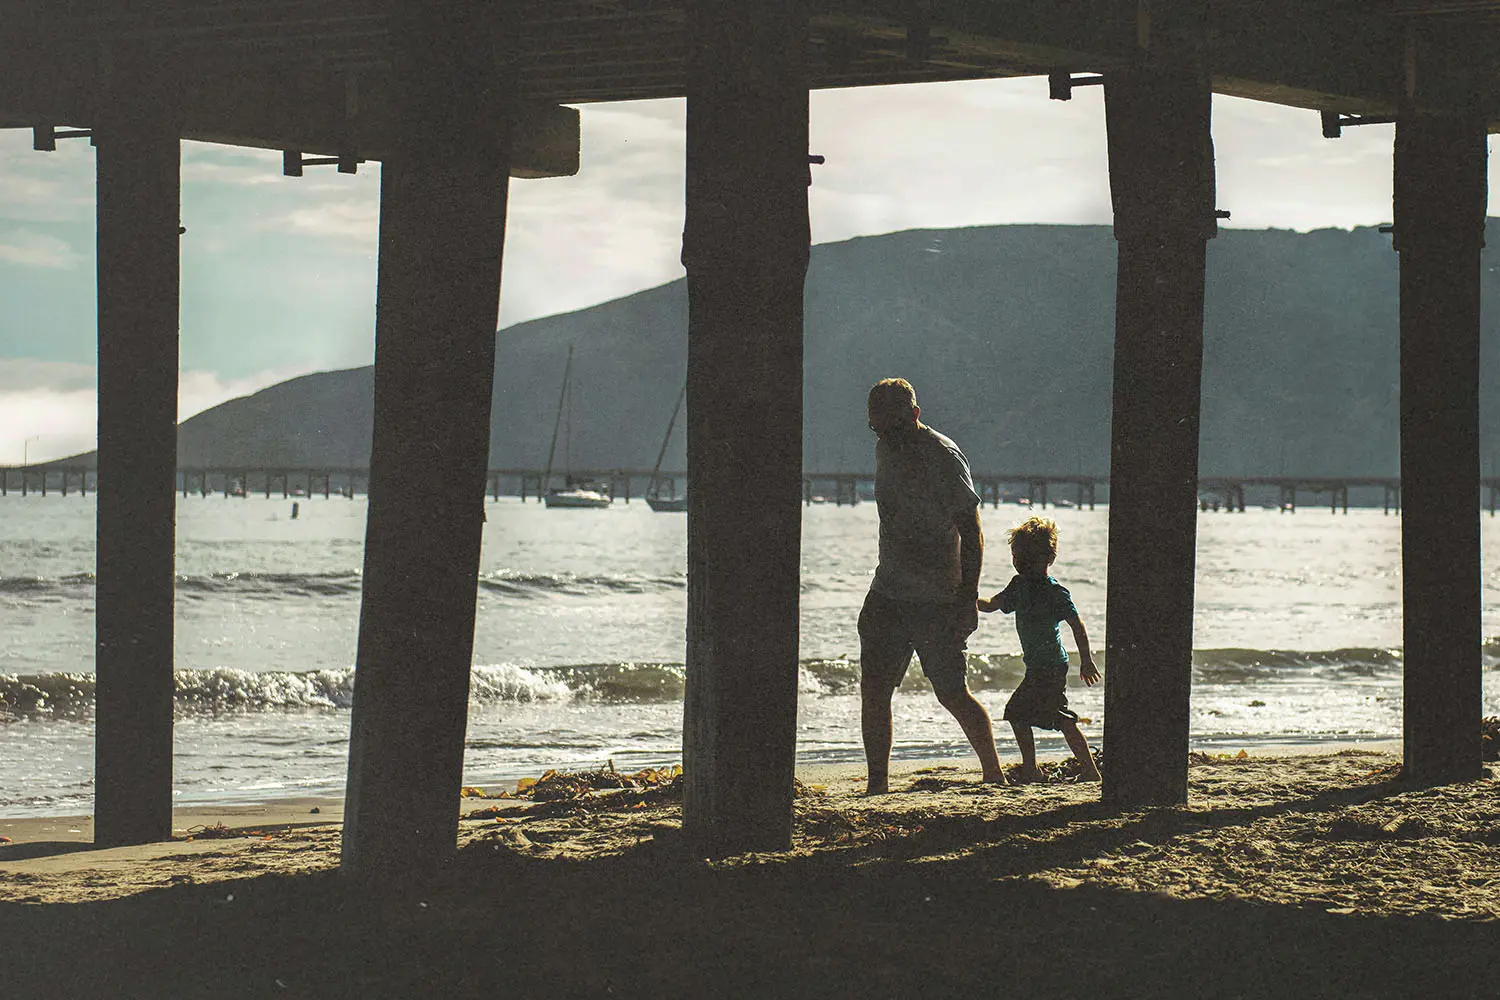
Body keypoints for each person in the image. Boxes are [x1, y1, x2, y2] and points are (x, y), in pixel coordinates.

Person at [859, 377, 1004, 794]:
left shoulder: (942, 456)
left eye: (895, 426)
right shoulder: (885, 442)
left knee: (951, 692)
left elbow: (972, 533)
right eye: (877, 428)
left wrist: (967, 599)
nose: (887, 435)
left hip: (938, 597)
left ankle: (994, 773)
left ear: (916, 415)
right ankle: (877, 784)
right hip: (887, 590)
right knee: (874, 689)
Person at [979, 516, 1101, 782]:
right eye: (1016, 556)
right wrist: (968, 597)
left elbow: (1077, 625)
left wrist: (1087, 660)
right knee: (1038, 716)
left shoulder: (1055, 592)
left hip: (1052, 666)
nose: (1020, 562)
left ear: (1048, 558)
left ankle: (1058, 770)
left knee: (1026, 714)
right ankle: (1040, 769)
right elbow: (992, 604)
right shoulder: (1018, 585)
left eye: (1027, 557)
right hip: (1037, 666)